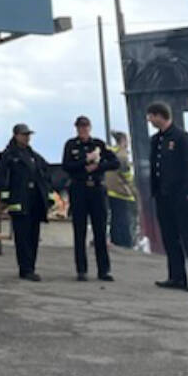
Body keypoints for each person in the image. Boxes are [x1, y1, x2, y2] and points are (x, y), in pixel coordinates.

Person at [147, 102, 188, 291]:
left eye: (151, 116)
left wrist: (185, 192)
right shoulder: (156, 140)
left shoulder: (181, 138)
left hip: (180, 196)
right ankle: (176, 276)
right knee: (170, 238)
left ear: (159, 115)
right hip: (163, 197)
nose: (150, 120)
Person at [62, 117, 119, 281]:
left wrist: (98, 166)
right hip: (79, 189)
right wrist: (84, 161)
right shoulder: (71, 145)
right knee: (79, 231)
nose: (83, 130)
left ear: (90, 128)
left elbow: (114, 163)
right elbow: (67, 166)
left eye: (85, 127)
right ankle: (81, 269)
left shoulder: (98, 144)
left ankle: (104, 270)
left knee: (100, 230)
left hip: (96, 188)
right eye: (80, 127)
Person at [0, 123, 52, 280]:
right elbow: (1, 179)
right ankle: (25, 269)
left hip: (34, 202)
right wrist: (5, 200)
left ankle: (31, 267)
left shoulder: (33, 156)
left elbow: (45, 173)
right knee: (23, 238)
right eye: (24, 135)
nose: (27, 138)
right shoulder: (9, 156)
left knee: (33, 236)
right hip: (19, 202)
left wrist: (48, 196)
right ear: (16, 135)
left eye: (28, 135)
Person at [106, 131, 138, 250]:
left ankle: (115, 241)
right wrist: (133, 190)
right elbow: (127, 175)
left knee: (115, 218)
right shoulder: (122, 156)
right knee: (124, 220)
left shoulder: (109, 153)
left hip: (109, 191)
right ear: (123, 141)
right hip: (121, 192)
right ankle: (125, 244)